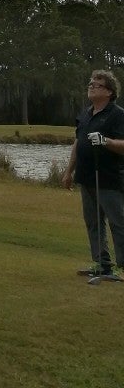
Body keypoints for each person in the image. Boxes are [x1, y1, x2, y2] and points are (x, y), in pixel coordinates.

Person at [62, 68, 124, 283]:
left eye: (96, 84)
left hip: (110, 178)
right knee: (93, 222)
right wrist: (69, 171)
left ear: (108, 92)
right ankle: (101, 264)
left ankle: (121, 268)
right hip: (87, 177)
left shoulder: (118, 115)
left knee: (118, 223)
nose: (91, 86)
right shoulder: (85, 114)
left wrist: (105, 141)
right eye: (90, 83)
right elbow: (78, 143)